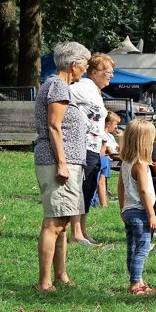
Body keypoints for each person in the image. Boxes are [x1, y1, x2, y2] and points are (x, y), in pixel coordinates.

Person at [33, 41, 91, 292]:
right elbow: (54, 127)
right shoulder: (57, 86)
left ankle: (61, 275)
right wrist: (63, 164)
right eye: (85, 65)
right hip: (58, 162)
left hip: (67, 162)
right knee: (54, 222)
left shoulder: (60, 86)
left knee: (63, 223)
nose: (85, 70)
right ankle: (44, 282)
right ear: (73, 64)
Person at [69, 53, 114, 244]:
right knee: (79, 188)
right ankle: (75, 232)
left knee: (89, 188)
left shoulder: (95, 91)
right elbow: (63, 95)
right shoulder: (84, 87)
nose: (111, 75)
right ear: (94, 72)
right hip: (83, 147)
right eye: (108, 72)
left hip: (94, 148)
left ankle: (83, 231)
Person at [117, 119, 156, 295]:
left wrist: (122, 208)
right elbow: (143, 191)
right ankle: (135, 283)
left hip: (129, 210)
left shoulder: (126, 162)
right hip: (141, 212)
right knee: (142, 248)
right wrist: (151, 214)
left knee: (132, 248)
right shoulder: (140, 164)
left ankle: (138, 280)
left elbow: (120, 186)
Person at [94, 111, 122, 208]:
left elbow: (119, 149)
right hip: (108, 160)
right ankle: (104, 203)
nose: (116, 127)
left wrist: (121, 137)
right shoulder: (103, 135)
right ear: (108, 124)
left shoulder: (110, 136)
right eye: (115, 124)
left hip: (115, 158)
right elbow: (112, 153)